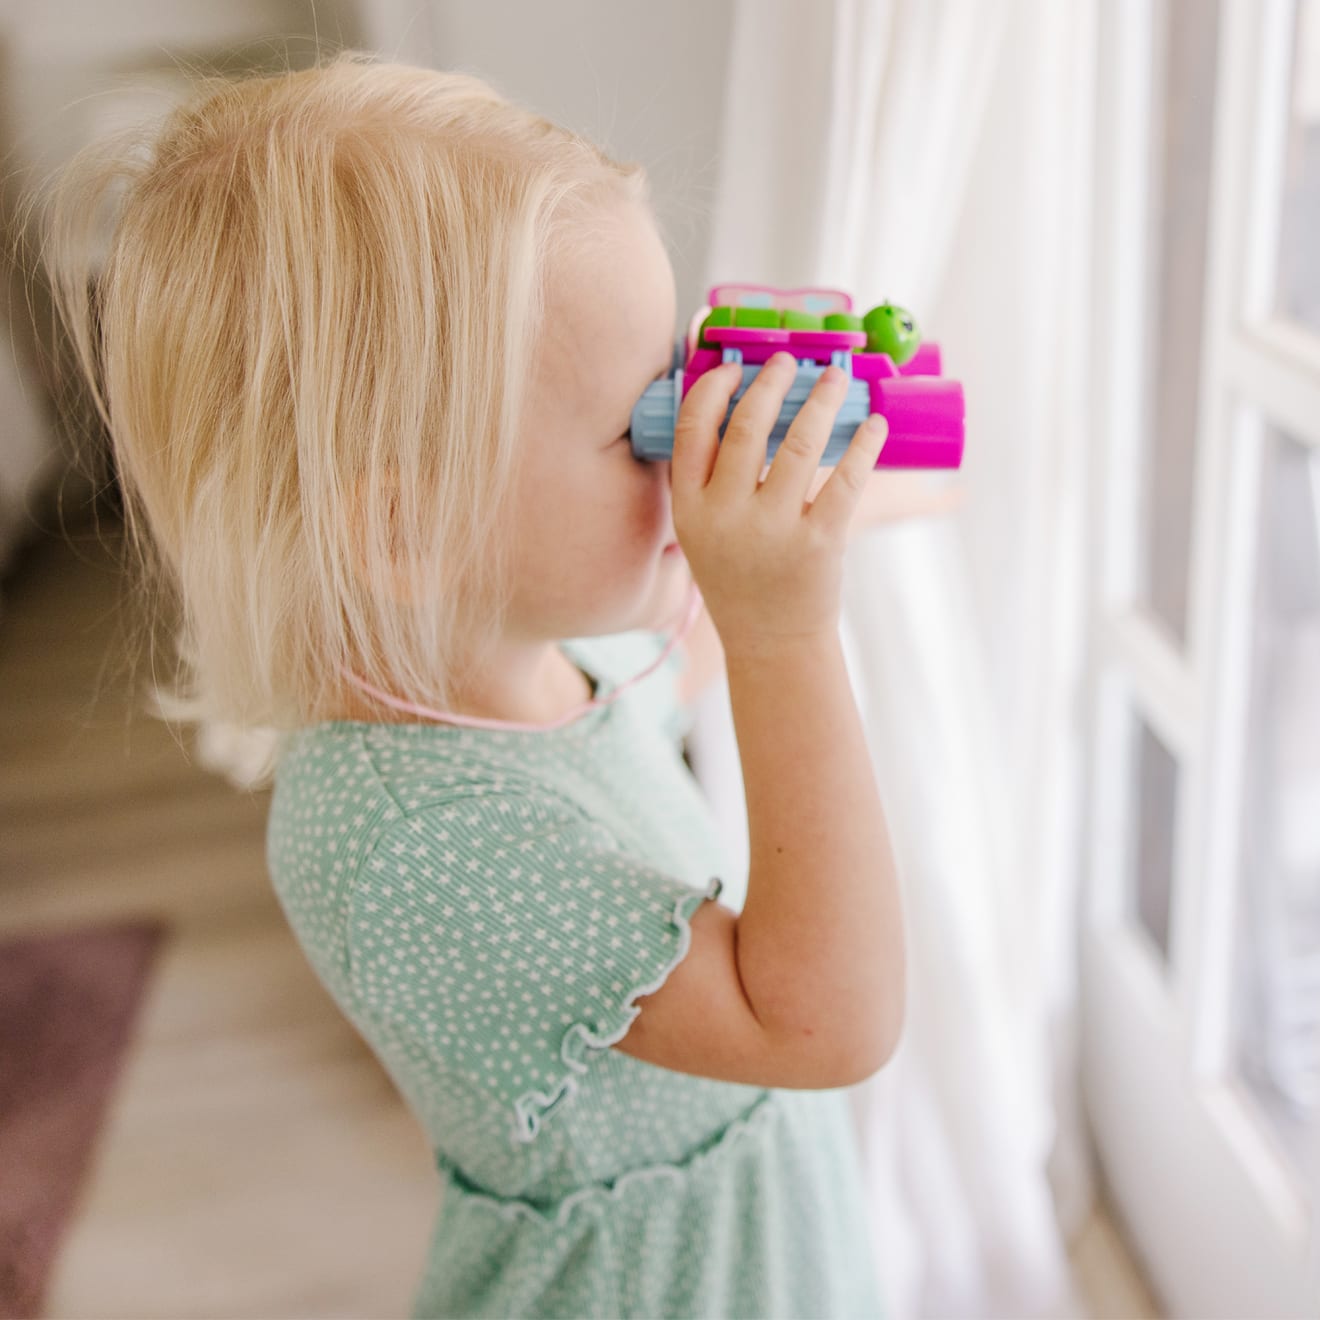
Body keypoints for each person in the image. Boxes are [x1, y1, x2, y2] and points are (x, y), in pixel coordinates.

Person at [32, 48, 939, 1318]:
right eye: (648, 425)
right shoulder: (417, 844)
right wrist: (789, 626)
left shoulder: (534, 650)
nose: (685, 459)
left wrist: (851, 463)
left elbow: (688, 644)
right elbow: (826, 1025)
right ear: (409, 533)